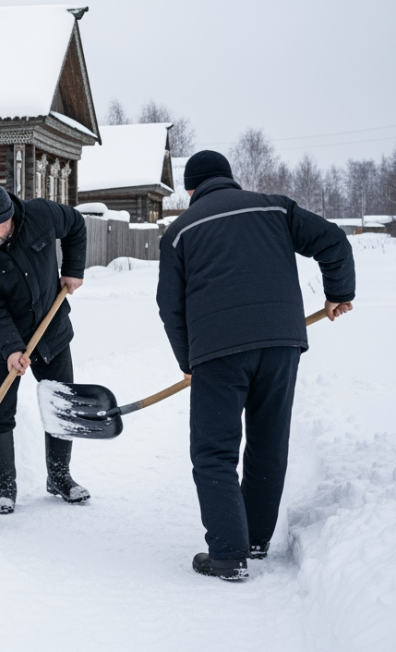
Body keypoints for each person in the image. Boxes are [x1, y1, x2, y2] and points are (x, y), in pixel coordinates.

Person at [157, 150, 355, 581]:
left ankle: (228, 553)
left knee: (214, 451)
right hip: (281, 343)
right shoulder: (275, 207)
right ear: (230, 177)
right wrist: (339, 292)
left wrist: (188, 361)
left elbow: (169, 307)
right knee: (268, 440)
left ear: (190, 189)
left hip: (218, 351)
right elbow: (334, 241)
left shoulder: (179, 231)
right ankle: (255, 540)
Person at [0, 183, 90, 515]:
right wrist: (12, 349)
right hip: (0, 339)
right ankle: (4, 486)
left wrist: (73, 269)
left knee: (61, 403)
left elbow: (76, 224)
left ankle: (59, 477)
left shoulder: (42, 215)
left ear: (10, 216)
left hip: (51, 328)